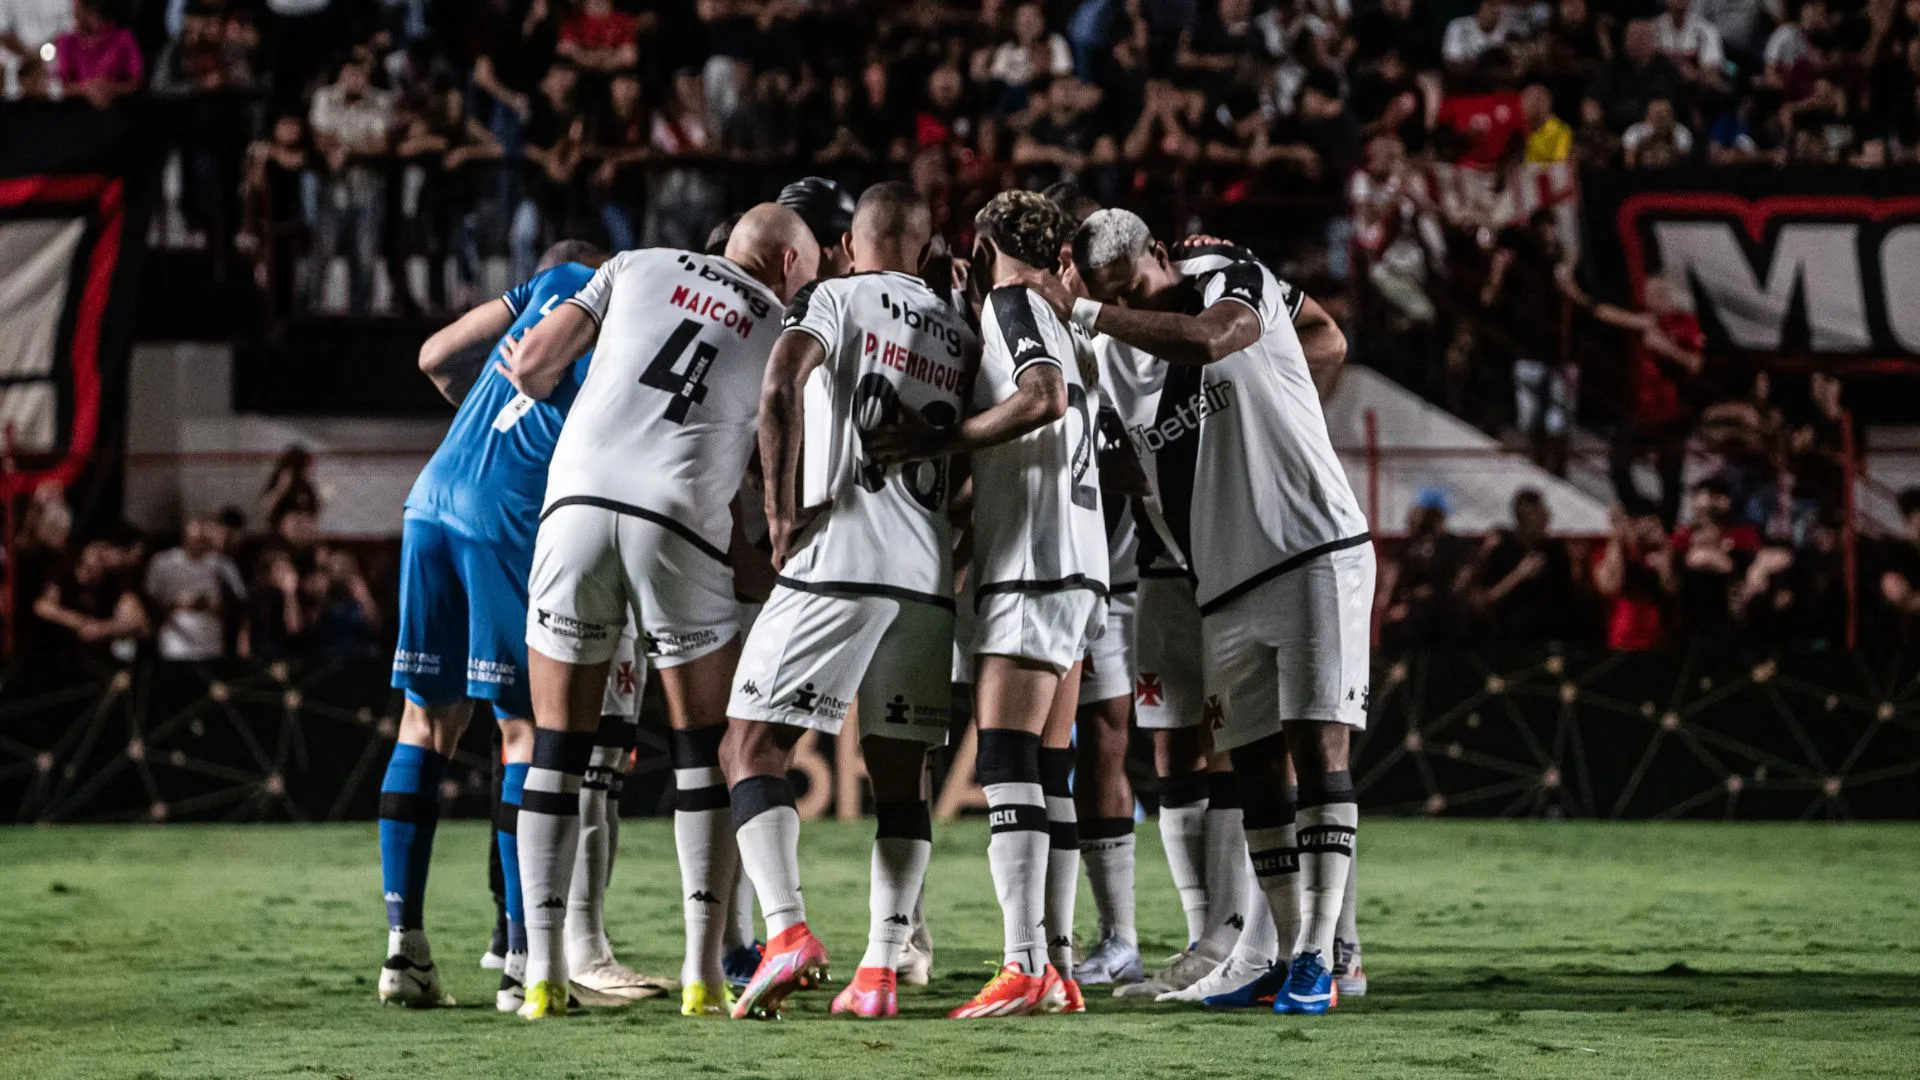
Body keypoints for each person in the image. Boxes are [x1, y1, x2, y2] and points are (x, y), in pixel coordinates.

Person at [1030, 207, 1368, 1016]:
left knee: (1318, 752)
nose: (1129, 311)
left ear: (1157, 253)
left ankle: (1323, 957)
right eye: (1113, 298)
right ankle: (1272, 952)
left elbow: (1213, 340)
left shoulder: (1227, 276)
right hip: (1218, 581)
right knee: (1254, 772)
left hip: (1312, 551)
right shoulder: (1111, 355)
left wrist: (1081, 307)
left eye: (1133, 289)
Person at [497, 203, 820, 1020]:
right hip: (678, 523)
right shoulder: (786, 323)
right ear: (787, 266)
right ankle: (704, 975)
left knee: (557, 751)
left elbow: (534, 367)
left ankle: (540, 973)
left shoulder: (631, 265)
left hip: (573, 505)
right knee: (699, 753)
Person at [376, 239, 668, 1014]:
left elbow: (435, 356)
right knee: (527, 733)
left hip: (431, 495)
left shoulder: (550, 283)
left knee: (424, 724)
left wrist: (486, 423)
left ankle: (404, 949)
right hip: (505, 518)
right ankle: (520, 959)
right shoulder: (613, 303)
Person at [717, 184, 978, 1021]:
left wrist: (781, 512)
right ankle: (881, 968)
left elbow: (781, 386)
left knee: (749, 746)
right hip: (926, 576)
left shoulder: (835, 296)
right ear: (926, 246)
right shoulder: (960, 327)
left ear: (850, 243)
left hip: (841, 557)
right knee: (903, 783)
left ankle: (787, 930)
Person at [868, 189, 1109, 1019]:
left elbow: (1044, 400)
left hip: (1036, 566)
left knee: (1005, 760)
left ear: (984, 250)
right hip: (1077, 567)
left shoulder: (1014, 302)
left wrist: (944, 440)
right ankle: (1060, 965)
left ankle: (1022, 962)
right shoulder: (1069, 321)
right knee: (1049, 769)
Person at [144, 516, 246, 662]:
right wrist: (178, 604)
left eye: (204, 539)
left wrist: (217, 605)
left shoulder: (222, 564)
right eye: (195, 538)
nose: (199, 543)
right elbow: (150, 599)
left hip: (211, 637)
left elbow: (239, 600)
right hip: (176, 641)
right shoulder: (163, 562)